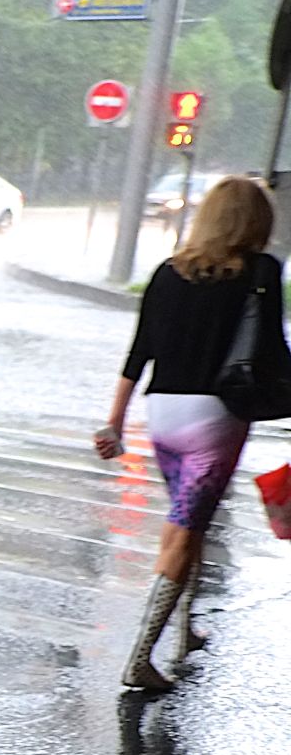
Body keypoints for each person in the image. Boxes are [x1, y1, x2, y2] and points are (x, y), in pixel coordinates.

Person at [96, 175, 279, 691]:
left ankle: (184, 630)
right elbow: (267, 349)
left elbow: (139, 352)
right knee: (182, 532)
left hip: (163, 414)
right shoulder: (259, 272)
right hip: (216, 419)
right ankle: (140, 656)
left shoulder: (166, 273)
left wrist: (114, 420)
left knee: (188, 521)